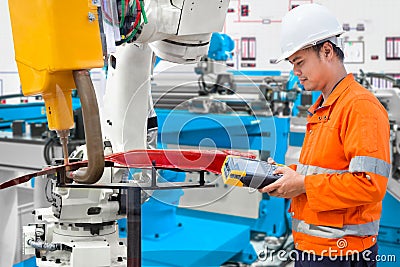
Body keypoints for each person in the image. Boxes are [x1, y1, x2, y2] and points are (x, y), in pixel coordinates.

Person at [259, 3, 390, 266]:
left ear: (327, 51)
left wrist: (303, 184)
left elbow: (369, 184)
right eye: (292, 63)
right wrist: (289, 174)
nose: (295, 72)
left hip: (343, 253)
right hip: (314, 248)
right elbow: (324, 169)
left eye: (299, 62)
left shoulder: (359, 106)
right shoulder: (324, 108)